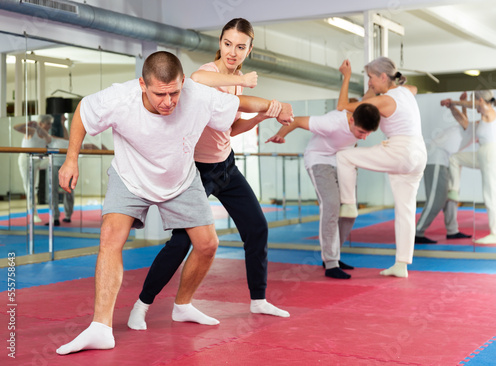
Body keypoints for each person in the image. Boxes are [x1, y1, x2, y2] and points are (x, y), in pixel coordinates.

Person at [55, 51, 294, 355]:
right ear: (143, 84)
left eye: (174, 92)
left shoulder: (197, 95)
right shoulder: (119, 98)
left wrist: (275, 107)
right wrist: (71, 159)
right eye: (159, 94)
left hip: (181, 178)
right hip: (130, 177)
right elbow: (83, 113)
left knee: (207, 244)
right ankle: (101, 327)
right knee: (110, 237)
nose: (168, 101)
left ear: (183, 82)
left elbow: (240, 103)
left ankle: (182, 305)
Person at [127, 18, 289, 332]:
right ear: (220, 42)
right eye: (228, 44)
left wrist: (259, 116)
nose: (233, 51)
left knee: (257, 228)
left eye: (240, 46)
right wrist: (257, 94)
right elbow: (196, 78)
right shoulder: (208, 74)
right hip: (197, 172)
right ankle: (142, 305)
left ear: (249, 49)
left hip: (226, 166)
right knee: (182, 242)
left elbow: (230, 126)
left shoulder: (238, 78)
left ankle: (258, 299)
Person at [266, 101, 380, 279]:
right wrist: (280, 135)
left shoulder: (358, 120)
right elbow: (295, 121)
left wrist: (347, 75)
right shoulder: (331, 123)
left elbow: (347, 100)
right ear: (351, 120)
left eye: (368, 133)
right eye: (361, 132)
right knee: (331, 205)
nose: (364, 137)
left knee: (349, 211)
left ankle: (333, 255)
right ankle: (331, 262)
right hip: (319, 159)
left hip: (342, 163)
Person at [335, 58, 427, 278]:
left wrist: (346, 77)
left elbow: (343, 108)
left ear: (383, 76)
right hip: (419, 154)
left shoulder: (386, 100)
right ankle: (401, 264)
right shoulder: (406, 92)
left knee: (344, 156)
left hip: (400, 151)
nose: (370, 82)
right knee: (405, 210)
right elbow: (410, 88)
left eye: (371, 77)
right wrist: (372, 89)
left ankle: (348, 204)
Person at [442, 90, 496, 244]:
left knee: (490, 193)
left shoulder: (490, 111)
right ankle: (453, 191)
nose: (474, 106)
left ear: (480, 100)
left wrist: (455, 101)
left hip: (490, 154)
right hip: (483, 154)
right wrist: (454, 107)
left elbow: (476, 104)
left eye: (475, 102)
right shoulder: (483, 120)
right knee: (455, 158)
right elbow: (465, 123)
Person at [415, 122, 472, 244]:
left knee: (451, 196)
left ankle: (452, 230)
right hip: (436, 160)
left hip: (446, 162)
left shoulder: (469, 134)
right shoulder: (466, 129)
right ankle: (417, 232)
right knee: (437, 200)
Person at [14, 115, 53, 223]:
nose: (50, 126)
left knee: (55, 162)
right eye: (48, 123)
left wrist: (40, 128)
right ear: (41, 123)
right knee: (30, 188)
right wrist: (27, 124)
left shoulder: (44, 133)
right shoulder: (31, 131)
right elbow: (16, 128)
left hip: (38, 160)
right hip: (26, 160)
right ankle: (33, 213)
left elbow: (48, 140)